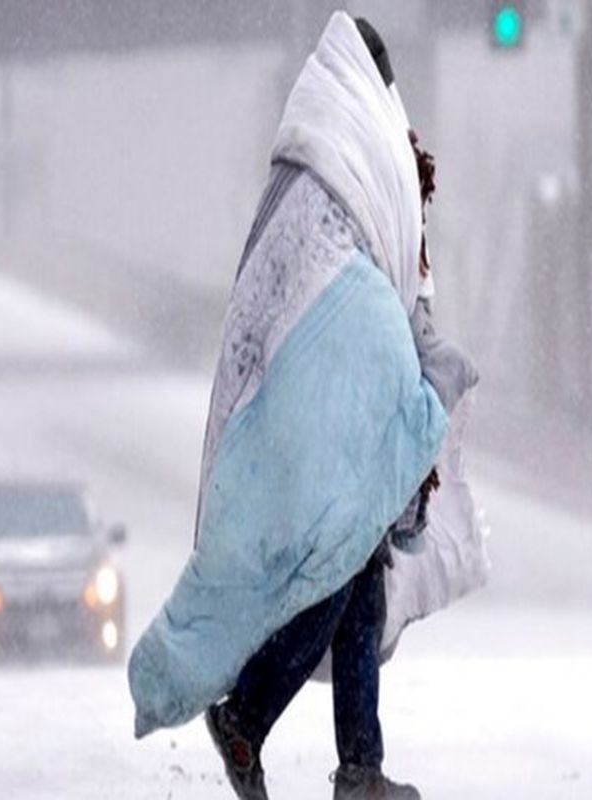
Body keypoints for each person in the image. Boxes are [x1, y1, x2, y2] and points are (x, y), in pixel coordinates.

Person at [128, 12, 482, 800]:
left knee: (358, 579)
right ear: (363, 84)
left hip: (316, 416)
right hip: (311, 419)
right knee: (336, 572)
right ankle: (249, 719)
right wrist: (405, 380)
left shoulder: (339, 167)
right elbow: (339, 298)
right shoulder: (328, 174)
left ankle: (356, 766)